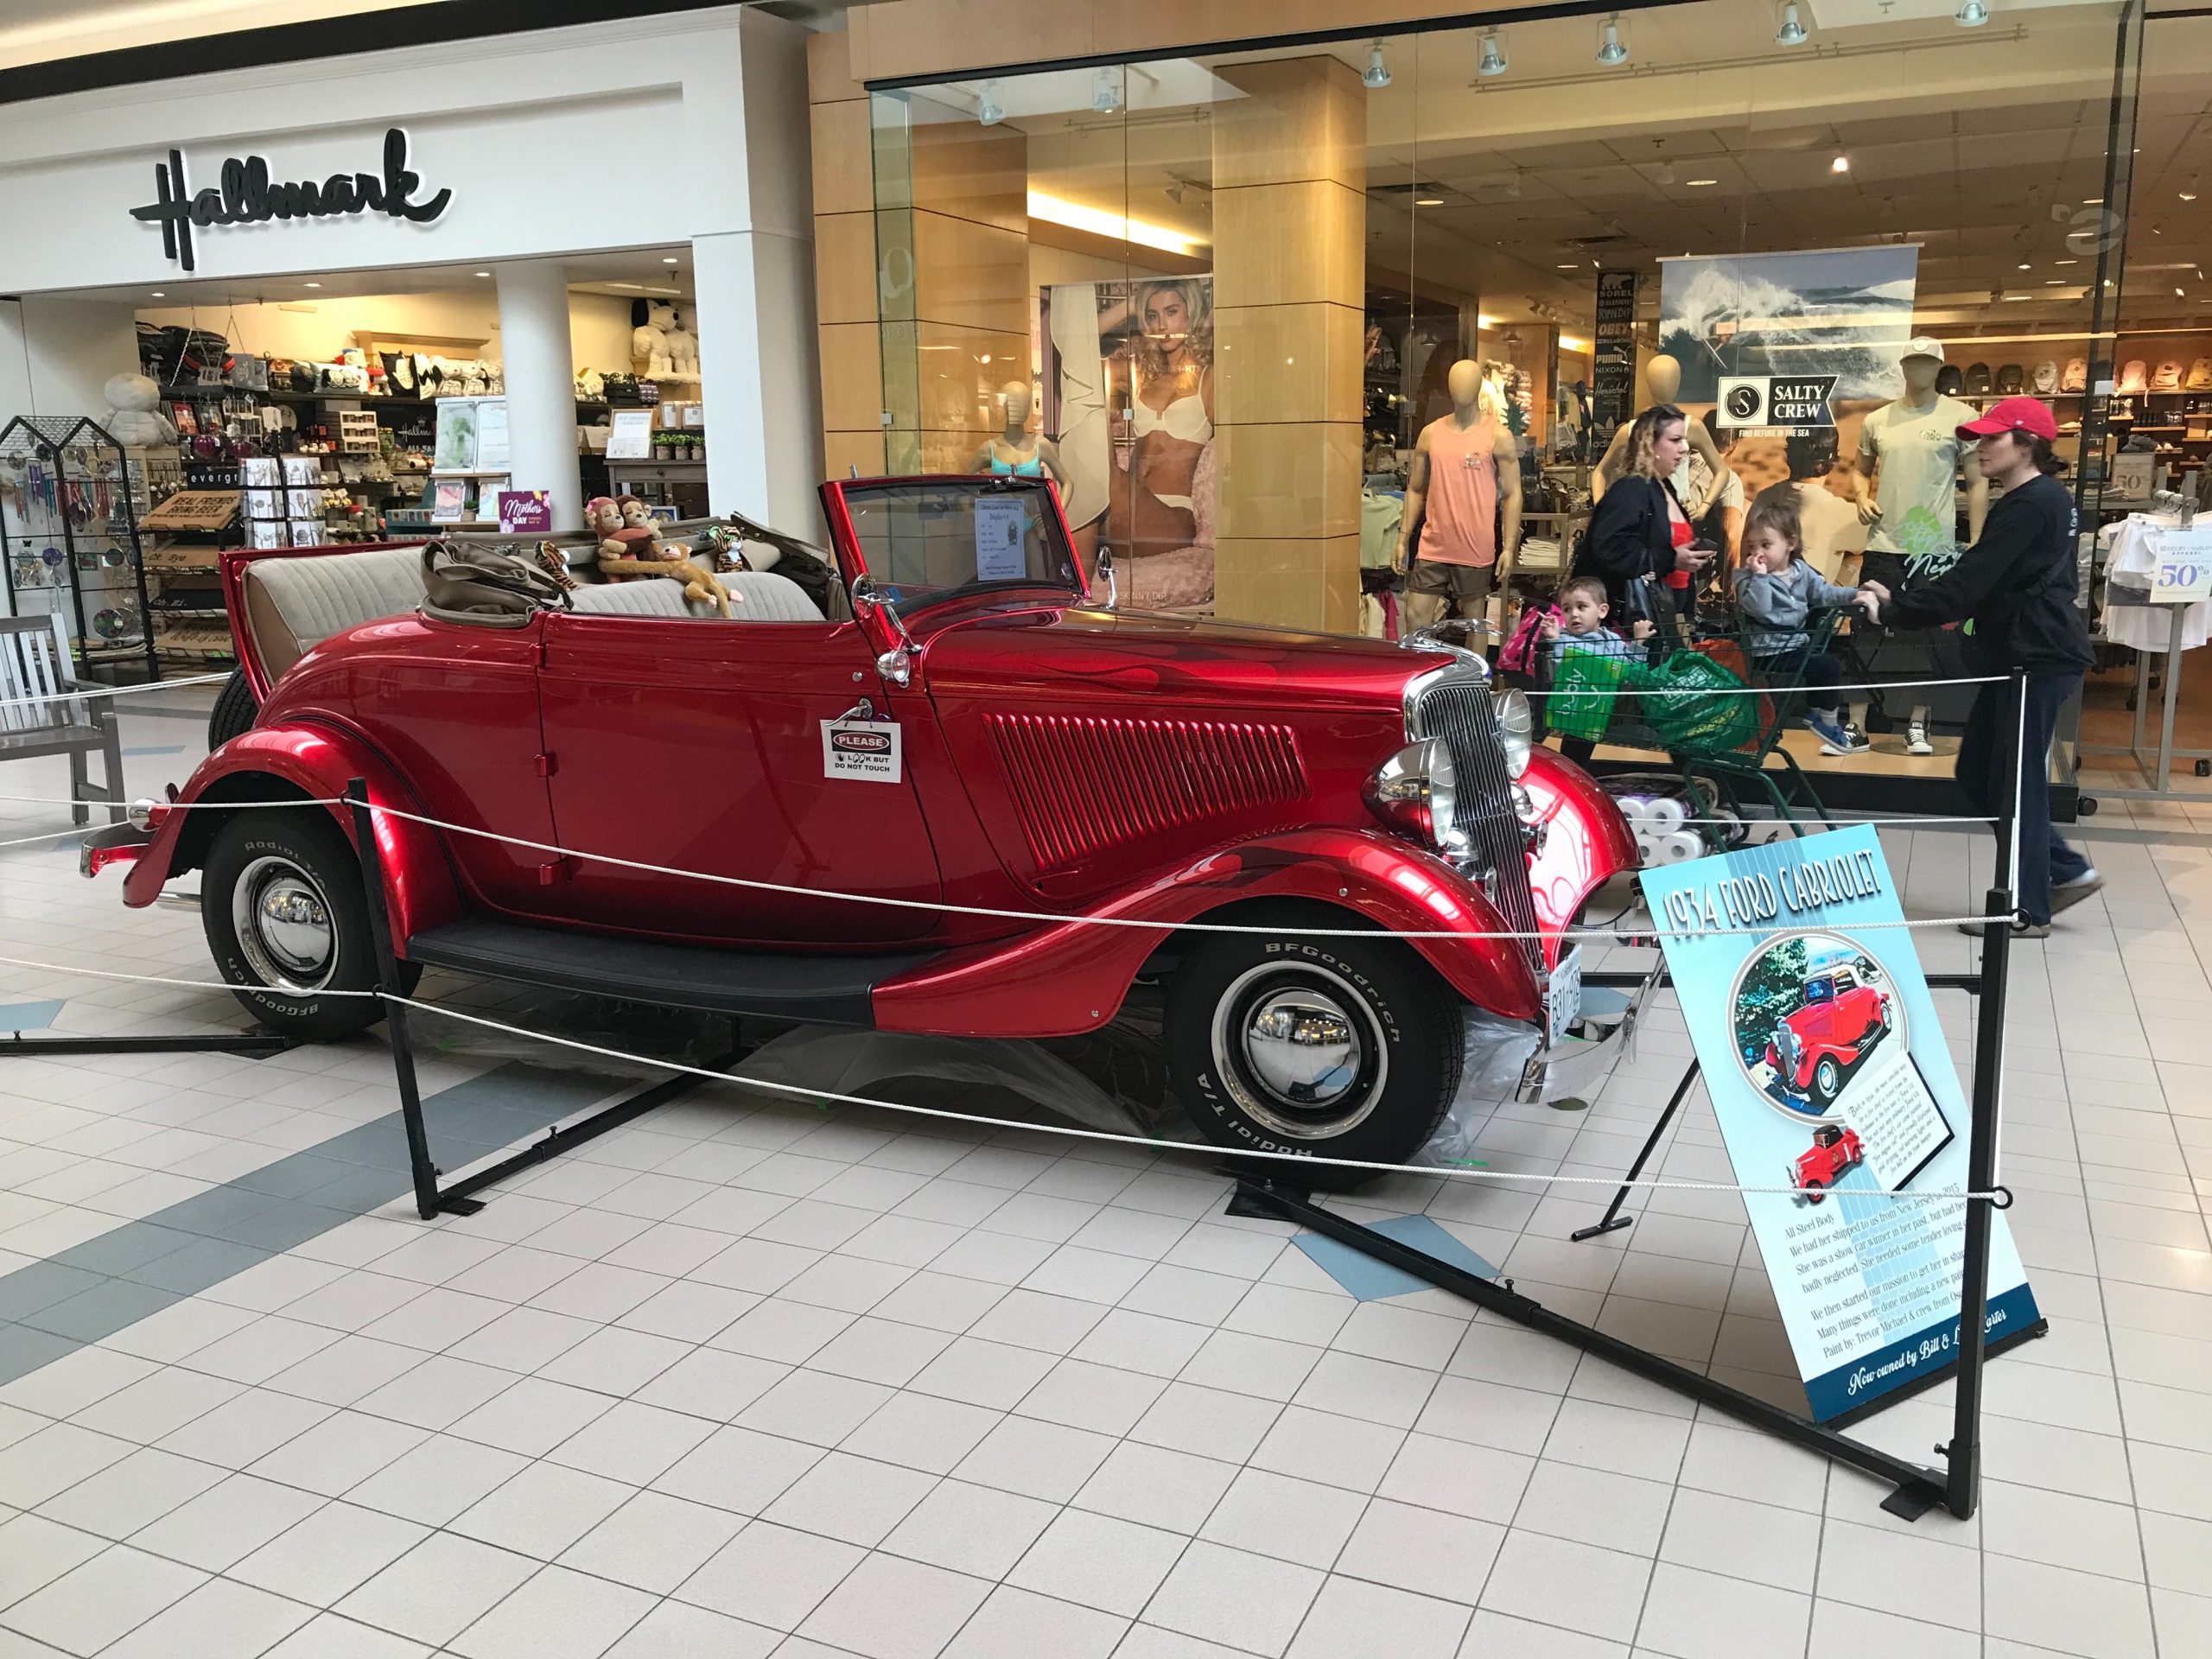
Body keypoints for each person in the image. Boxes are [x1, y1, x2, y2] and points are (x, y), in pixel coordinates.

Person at [1857, 397, 2100, 937]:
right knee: (1979, 773)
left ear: (2027, 443)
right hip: (2022, 656)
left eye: (1993, 438)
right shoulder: (2042, 499)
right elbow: (1985, 579)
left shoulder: (2031, 503)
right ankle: (2064, 870)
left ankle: (2027, 907)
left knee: (2014, 782)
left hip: (2034, 658)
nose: (1980, 446)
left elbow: (1973, 579)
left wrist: (1897, 607)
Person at [1736, 486, 1874, 757]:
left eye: (1766, 545)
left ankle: (1823, 718)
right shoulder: (1747, 578)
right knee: (1826, 666)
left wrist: (1855, 594)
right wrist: (1761, 578)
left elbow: (1824, 593)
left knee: (1827, 665)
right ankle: (1825, 720)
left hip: (1794, 646)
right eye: (1752, 546)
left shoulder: (1801, 571)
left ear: (1790, 543)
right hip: (1767, 651)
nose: (1757, 553)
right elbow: (1762, 610)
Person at [1571, 403, 1716, 626]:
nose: (1685, 448)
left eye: (1684, 439)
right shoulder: (1632, 489)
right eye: (1675, 440)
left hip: (1659, 617)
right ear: (1651, 445)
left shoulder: (1663, 488)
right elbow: (1610, 548)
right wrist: (1671, 559)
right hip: (1628, 623)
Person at [1541, 575, 1659, 763]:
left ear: (1602, 611)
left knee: (1643, 733)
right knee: (1576, 749)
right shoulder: (1564, 640)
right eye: (1566, 609)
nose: (1574, 614)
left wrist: (1638, 642)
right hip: (1578, 711)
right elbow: (1559, 668)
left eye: (1581, 607)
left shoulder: (1612, 640)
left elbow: (1630, 671)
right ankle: (1575, 771)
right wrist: (1553, 639)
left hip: (1610, 709)